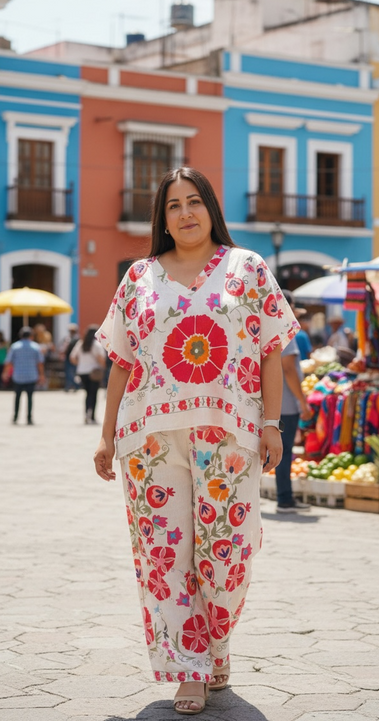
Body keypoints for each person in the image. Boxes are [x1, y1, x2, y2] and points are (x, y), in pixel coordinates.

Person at [93, 167, 298, 714]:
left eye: (194, 202)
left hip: (229, 436)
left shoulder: (247, 268)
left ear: (211, 208)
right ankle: (189, 668)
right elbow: (121, 362)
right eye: (173, 206)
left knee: (224, 555)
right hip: (149, 440)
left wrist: (272, 425)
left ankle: (214, 647)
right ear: (161, 218)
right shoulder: (138, 275)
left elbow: (270, 352)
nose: (185, 213)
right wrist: (107, 435)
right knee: (166, 555)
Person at [276, 293, 313, 513]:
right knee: (285, 451)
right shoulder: (285, 329)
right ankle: (284, 498)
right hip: (286, 404)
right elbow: (289, 369)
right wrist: (303, 401)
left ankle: (285, 496)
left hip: (277, 402)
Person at [5, 326, 45, 425]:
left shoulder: (14, 346)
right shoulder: (35, 347)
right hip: (31, 375)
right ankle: (29, 418)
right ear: (31, 336)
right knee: (30, 398)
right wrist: (41, 375)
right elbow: (40, 363)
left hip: (18, 375)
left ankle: (15, 417)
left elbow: (9, 362)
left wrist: (5, 373)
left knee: (17, 397)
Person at [69, 325, 106, 424]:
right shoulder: (96, 345)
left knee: (87, 394)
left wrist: (80, 364)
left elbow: (72, 357)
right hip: (93, 372)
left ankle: (86, 414)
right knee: (94, 395)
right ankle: (92, 416)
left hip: (82, 372)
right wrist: (101, 366)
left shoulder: (81, 343)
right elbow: (101, 359)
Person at [59, 323, 80, 392]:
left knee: (72, 373)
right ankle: (69, 386)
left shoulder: (77, 339)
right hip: (68, 358)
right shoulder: (67, 338)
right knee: (69, 373)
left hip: (74, 359)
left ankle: (75, 385)